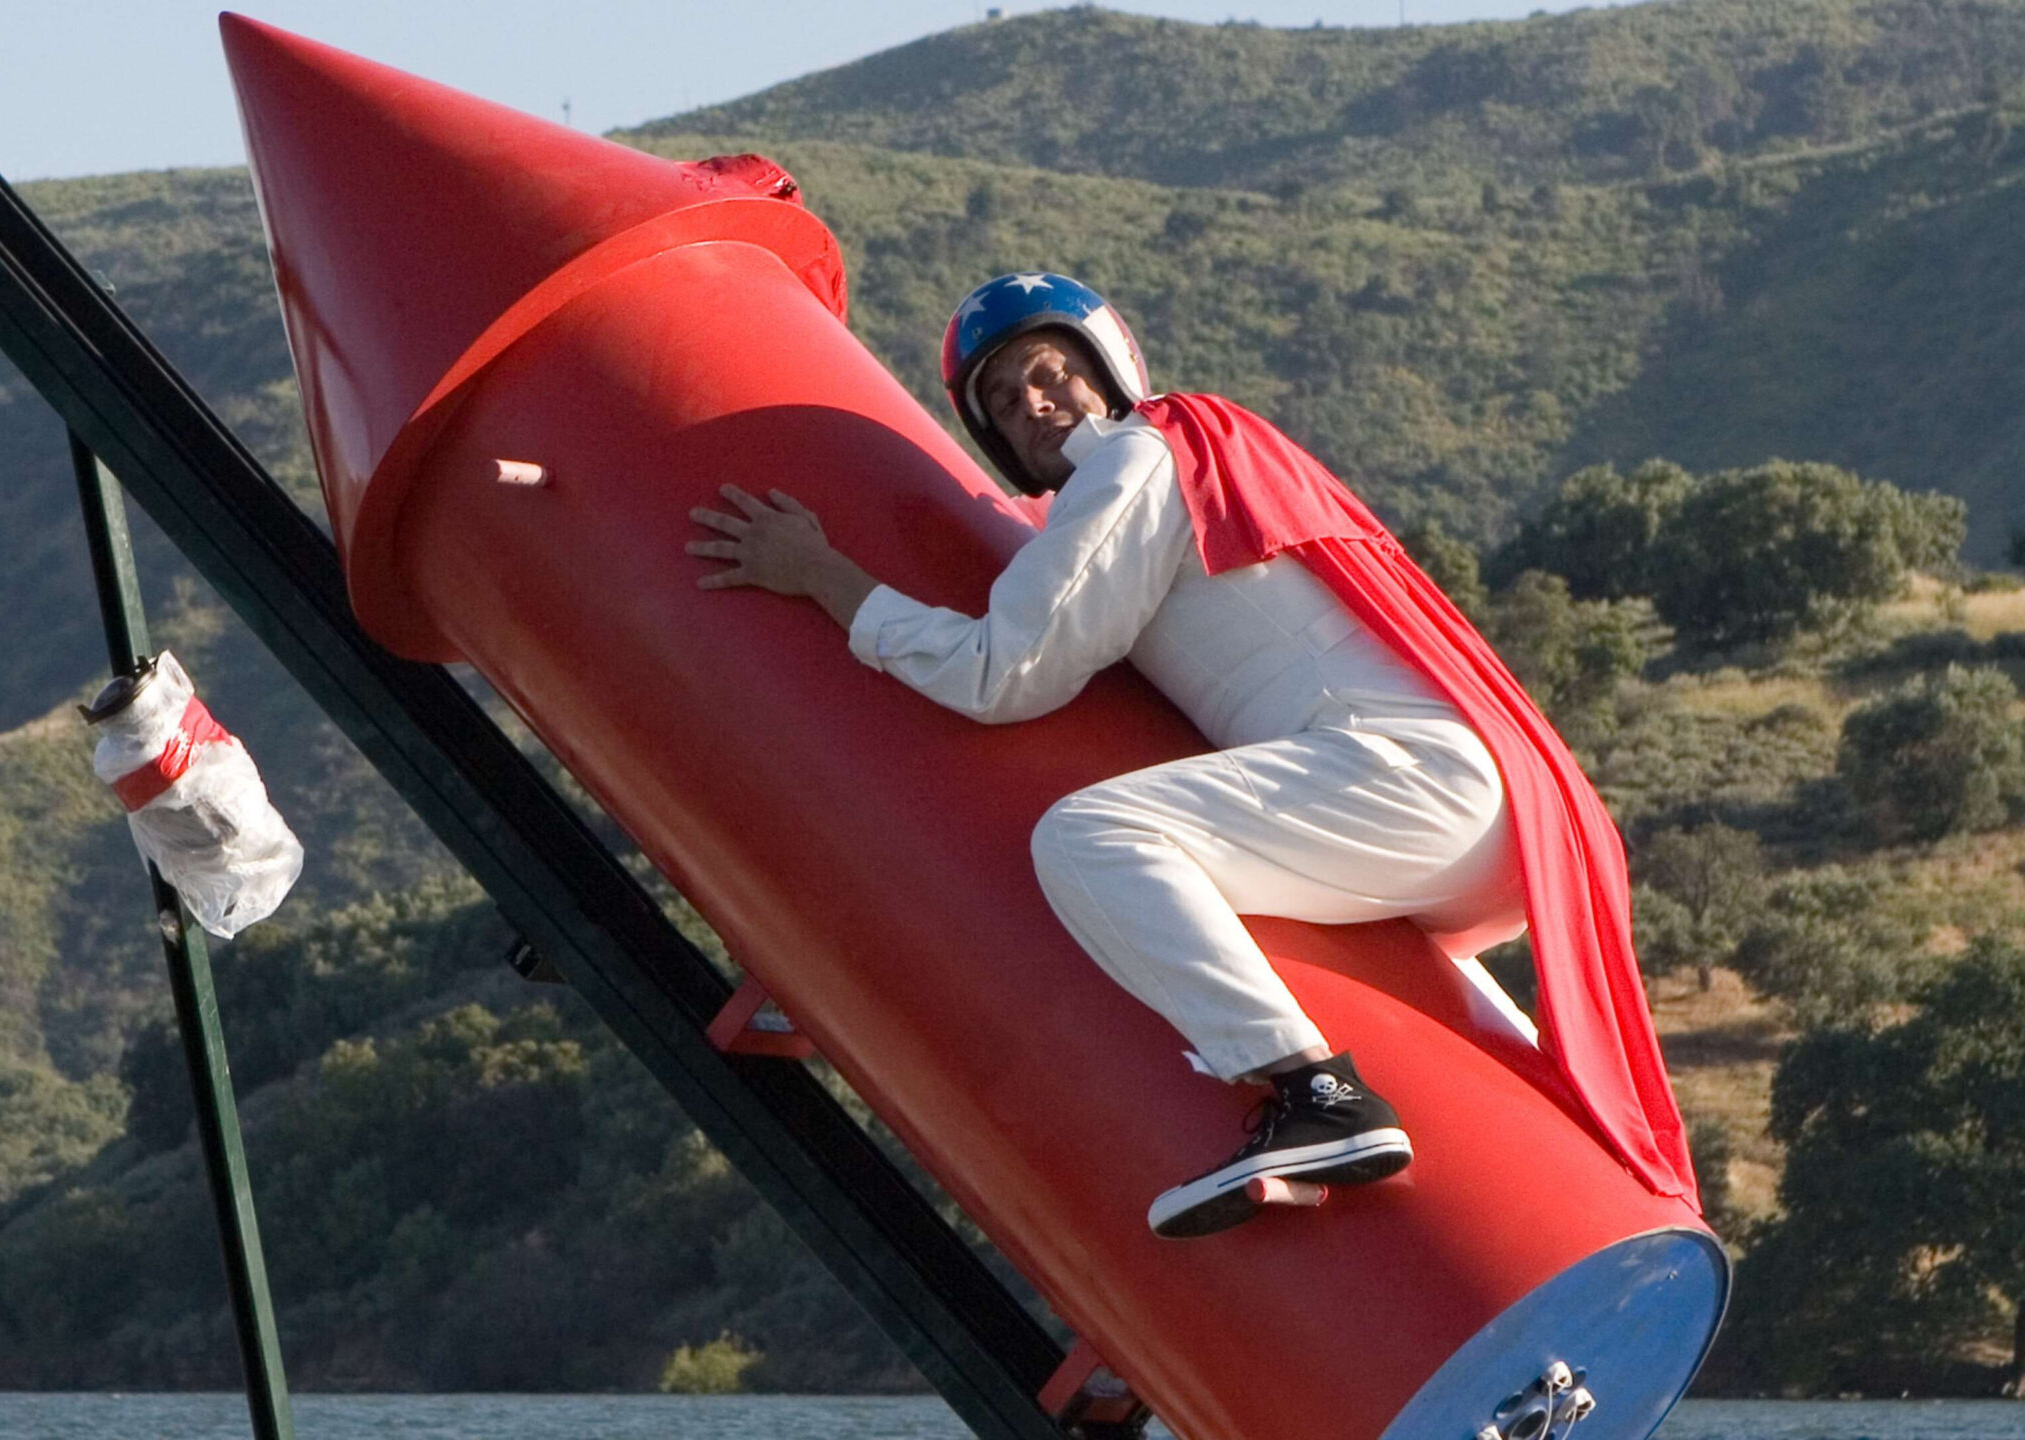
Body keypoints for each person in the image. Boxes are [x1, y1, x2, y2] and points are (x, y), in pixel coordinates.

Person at [685, 272, 1693, 1238]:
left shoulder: (1134, 459)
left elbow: (1004, 673)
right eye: (1003, 400)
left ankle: (1315, 1093)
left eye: (1049, 373)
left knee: (1094, 836)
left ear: (1106, 366)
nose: (1033, 404)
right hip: (1476, 814)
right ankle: (1571, 1170)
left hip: (1406, 779)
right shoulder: (1198, 451)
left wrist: (824, 578)